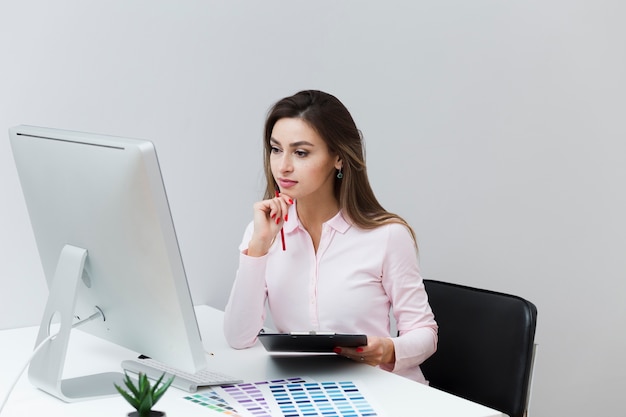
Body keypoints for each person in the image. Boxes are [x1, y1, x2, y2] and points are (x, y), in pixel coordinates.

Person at [223, 90, 437, 384]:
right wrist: (258, 247)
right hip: (309, 390)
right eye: (275, 149)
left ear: (337, 157)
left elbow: (424, 333)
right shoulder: (263, 233)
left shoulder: (387, 236)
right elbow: (238, 337)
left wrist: (389, 349)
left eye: (301, 152)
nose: (282, 166)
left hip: (383, 391)